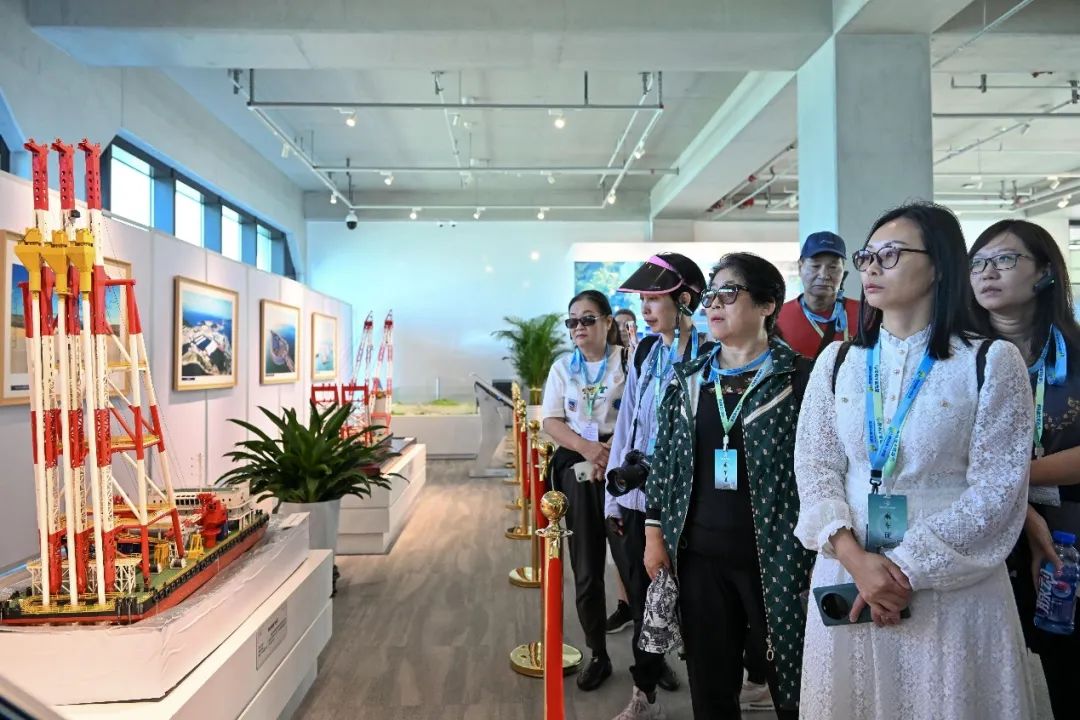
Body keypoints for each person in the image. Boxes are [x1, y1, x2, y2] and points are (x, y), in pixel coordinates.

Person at [794, 202, 1036, 720]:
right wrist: (858, 563)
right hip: (848, 572)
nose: (872, 267)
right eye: (867, 256)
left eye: (892, 254)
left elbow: (998, 492)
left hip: (952, 584)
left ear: (940, 266)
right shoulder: (837, 361)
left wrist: (900, 570)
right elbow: (815, 469)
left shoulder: (990, 361)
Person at [643, 252, 815, 719]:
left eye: (729, 293)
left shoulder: (799, 378)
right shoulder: (689, 379)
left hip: (779, 557)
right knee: (711, 687)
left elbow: (822, 470)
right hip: (698, 556)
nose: (714, 303)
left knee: (794, 683)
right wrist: (654, 534)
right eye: (711, 294)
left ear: (767, 305)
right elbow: (665, 462)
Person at [968, 219, 1080, 720]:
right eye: (978, 263)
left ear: (1046, 272)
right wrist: (1019, 506)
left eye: (1005, 260)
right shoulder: (955, 358)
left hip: (1070, 536)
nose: (988, 272)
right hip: (979, 534)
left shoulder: (1076, 352)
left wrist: (1005, 479)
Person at [603, 253, 704, 719]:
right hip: (641, 497)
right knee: (645, 598)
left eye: (655, 298)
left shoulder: (708, 352)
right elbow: (628, 423)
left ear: (685, 300)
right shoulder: (646, 351)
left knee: (698, 600)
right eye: (642, 299)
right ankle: (644, 694)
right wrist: (615, 497)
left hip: (692, 502)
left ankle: (713, 694)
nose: (645, 308)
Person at [541, 289, 627, 691]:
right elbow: (552, 421)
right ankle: (598, 654)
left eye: (588, 318)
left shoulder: (630, 361)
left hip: (624, 467)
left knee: (635, 566)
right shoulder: (563, 368)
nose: (579, 327)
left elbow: (643, 413)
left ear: (608, 322)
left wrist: (610, 453)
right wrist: (589, 449)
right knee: (587, 568)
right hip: (579, 468)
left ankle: (651, 659)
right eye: (572, 321)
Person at [775, 231, 859, 360]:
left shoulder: (865, 314)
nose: (824, 275)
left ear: (843, 270)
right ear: (800, 268)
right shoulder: (777, 317)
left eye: (833, 267)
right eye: (815, 266)